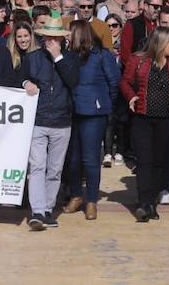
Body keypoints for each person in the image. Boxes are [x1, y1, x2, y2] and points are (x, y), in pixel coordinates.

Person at [120, 28, 169, 221]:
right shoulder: (138, 59)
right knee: (144, 160)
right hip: (142, 117)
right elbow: (124, 82)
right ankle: (143, 203)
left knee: (158, 162)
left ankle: (151, 203)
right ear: (161, 42)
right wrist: (131, 96)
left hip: (164, 118)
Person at [22, 15, 79, 231]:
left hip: (62, 121)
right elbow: (19, 77)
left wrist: (58, 58)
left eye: (55, 38)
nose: (50, 42)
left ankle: (47, 209)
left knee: (54, 169)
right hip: (38, 119)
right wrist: (26, 82)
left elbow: (73, 81)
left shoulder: (70, 59)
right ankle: (37, 211)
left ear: (62, 40)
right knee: (37, 167)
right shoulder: (33, 57)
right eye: (48, 37)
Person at [62, 19, 120, 220]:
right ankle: (76, 195)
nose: (67, 37)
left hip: (94, 113)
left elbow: (114, 83)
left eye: (70, 33)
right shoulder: (69, 56)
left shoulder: (102, 55)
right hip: (73, 111)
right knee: (73, 158)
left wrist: (102, 104)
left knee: (90, 158)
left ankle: (92, 200)